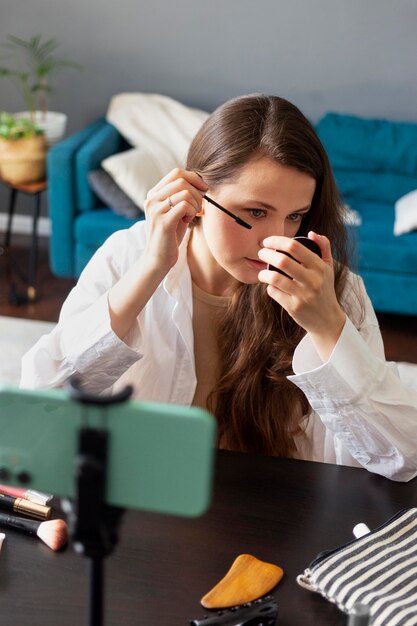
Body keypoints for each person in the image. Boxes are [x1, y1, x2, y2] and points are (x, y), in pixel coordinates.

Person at [21, 94, 417, 481]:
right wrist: (150, 269)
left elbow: (401, 460)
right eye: (255, 212)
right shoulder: (128, 256)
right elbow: (38, 401)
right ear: (197, 194)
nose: (275, 239)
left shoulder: (331, 289)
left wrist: (329, 327)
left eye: (294, 216)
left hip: (274, 512)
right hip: (147, 497)